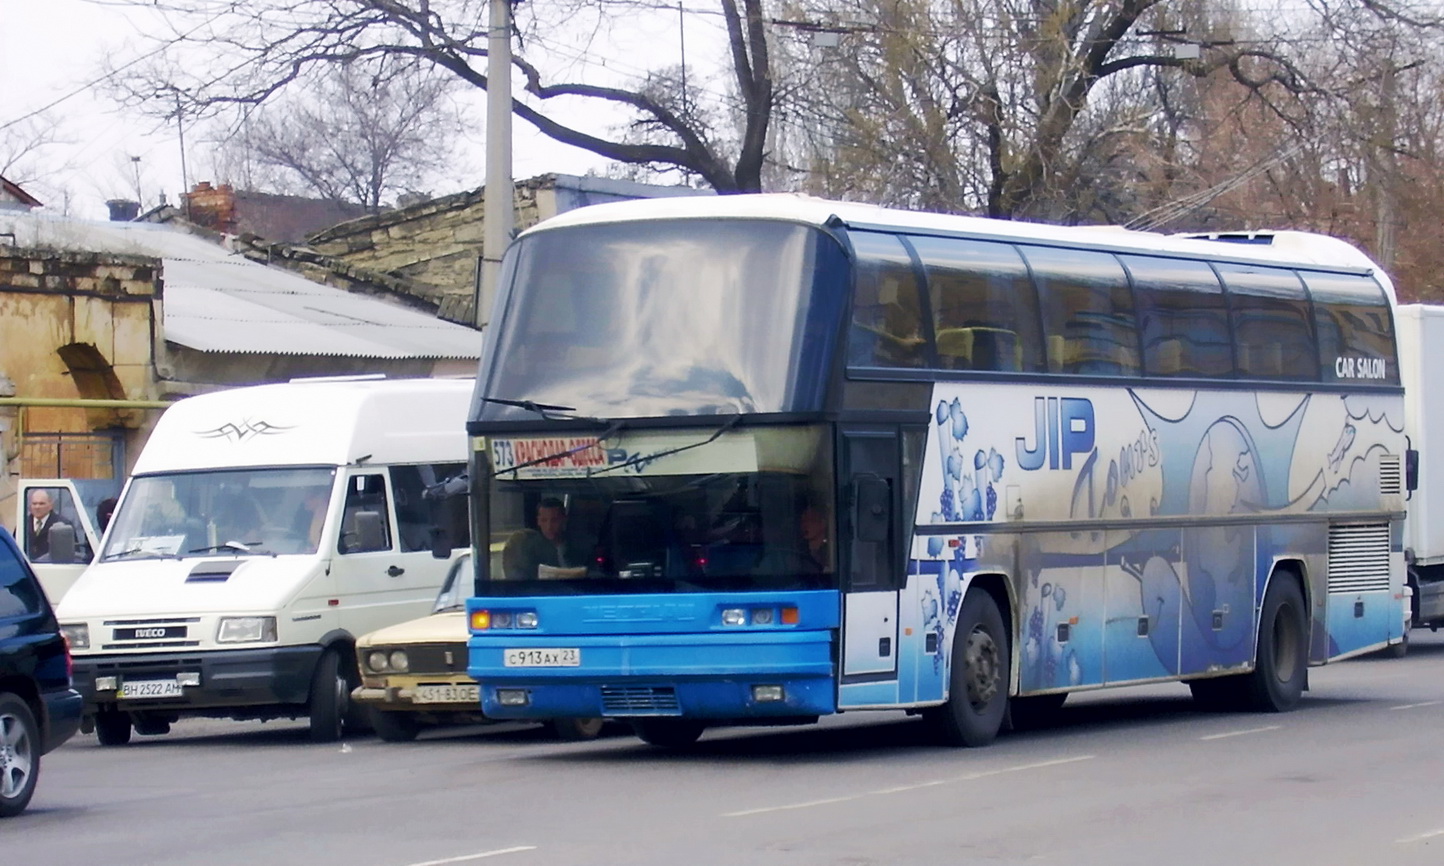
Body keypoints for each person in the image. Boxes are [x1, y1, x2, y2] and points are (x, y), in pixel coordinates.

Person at [502, 497, 587, 579]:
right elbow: (518, 577)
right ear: (538, 521)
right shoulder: (528, 547)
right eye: (544, 520)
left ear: (564, 519)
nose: (549, 526)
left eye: (554, 520)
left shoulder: (580, 545)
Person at [25, 489, 69, 561]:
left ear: (51, 505)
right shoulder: (23, 524)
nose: (37, 507)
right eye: (34, 503)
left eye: (41, 503)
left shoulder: (63, 524)